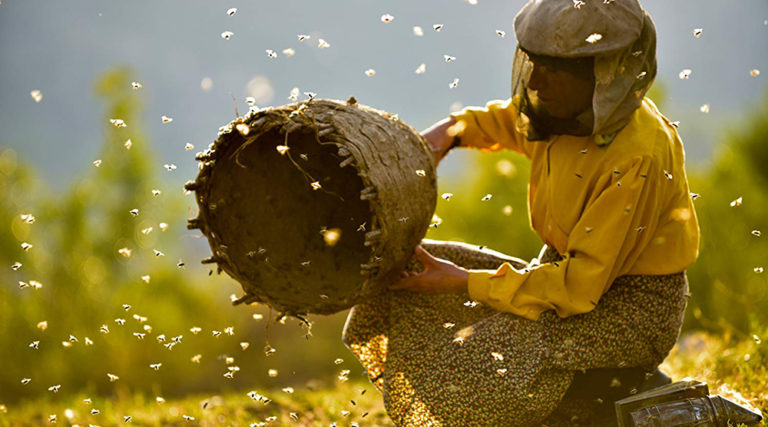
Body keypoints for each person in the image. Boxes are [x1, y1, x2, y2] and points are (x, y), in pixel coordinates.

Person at [342, 0, 700, 425]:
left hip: (627, 312)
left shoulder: (636, 155)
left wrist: (462, 283)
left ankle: (633, 403)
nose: (536, 82)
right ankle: (599, 397)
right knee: (401, 275)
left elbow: (578, 288)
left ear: (601, 74)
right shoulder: (564, 111)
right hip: (562, 283)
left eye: (553, 70)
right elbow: (506, 121)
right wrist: (443, 137)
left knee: (473, 365)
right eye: (534, 64)